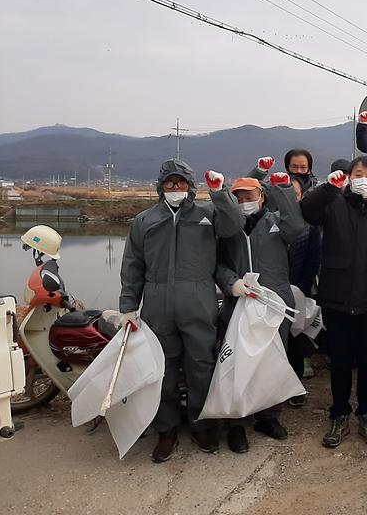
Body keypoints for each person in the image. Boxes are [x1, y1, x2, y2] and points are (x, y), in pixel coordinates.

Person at [119, 159, 244, 463]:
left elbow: (235, 224)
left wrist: (220, 191)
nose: (175, 188)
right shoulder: (144, 220)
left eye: (181, 183)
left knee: (201, 366)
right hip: (158, 303)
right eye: (170, 183)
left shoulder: (208, 214)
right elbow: (132, 266)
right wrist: (128, 307)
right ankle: (166, 430)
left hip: (199, 299)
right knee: (162, 371)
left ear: (190, 186)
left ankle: (202, 425)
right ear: (160, 187)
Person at [300, 156, 367, 449]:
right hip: (337, 299)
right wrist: (327, 188)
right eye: (357, 173)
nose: (363, 178)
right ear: (348, 177)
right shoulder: (333, 205)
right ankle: (339, 414)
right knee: (340, 363)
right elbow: (307, 212)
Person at [214, 174, 306, 453]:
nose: (245, 202)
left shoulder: (278, 223)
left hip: (274, 304)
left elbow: (298, 226)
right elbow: (216, 264)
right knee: (237, 364)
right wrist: (231, 283)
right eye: (239, 197)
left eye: (250, 196)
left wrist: (284, 188)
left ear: (262, 196)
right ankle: (237, 424)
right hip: (239, 305)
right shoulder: (227, 230)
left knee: (273, 361)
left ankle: (268, 417)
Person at [286, 173, 323, 405]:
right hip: (270, 291)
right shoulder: (268, 222)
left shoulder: (309, 225)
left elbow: (313, 259)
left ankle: (295, 385)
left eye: (295, 194)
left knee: (296, 337)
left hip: (300, 288)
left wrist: (301, 288)